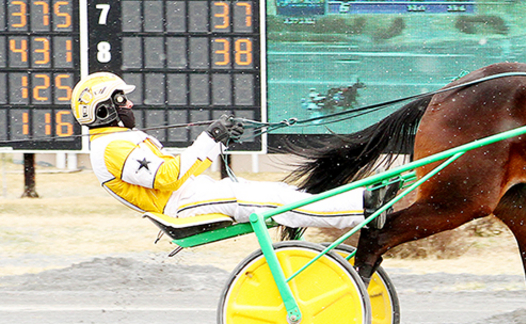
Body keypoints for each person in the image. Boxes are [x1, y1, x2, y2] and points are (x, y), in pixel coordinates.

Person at [71, 72, 395, 231]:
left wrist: (218, 141)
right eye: (120, 100)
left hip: (191, 195)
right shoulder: (111, 148)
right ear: (104, 110)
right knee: (275, 203)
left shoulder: (117, 142)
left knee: (279, 191)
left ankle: (360, 204)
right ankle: (362, 210)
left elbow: (181, 171)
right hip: (182, 205)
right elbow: (169, 177)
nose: (129, 104)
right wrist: (208, 138)